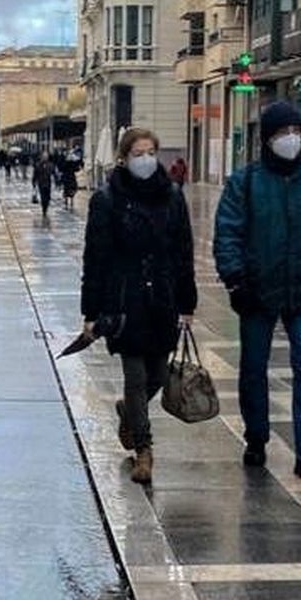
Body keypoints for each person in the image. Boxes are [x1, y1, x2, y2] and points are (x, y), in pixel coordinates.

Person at [215, 100, 301, 484]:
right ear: (267, 139)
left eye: (295, 131)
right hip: (258, 290)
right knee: (253, 367)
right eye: (281, 133)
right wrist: (235, 280)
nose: (290, 139)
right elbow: (228, 232)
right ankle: (256, 436)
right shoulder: (245, 182)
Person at [82, 128, 198, 485]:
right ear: (123, 158)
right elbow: (95, 258)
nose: (146, 159)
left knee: (160, 377)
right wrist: (90, 312)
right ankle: (144, 451)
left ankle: (128, 413)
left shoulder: (173, 197)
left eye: (151, 152)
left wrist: (186, 302)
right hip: (124, 299)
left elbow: (183, 251)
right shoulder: (106, 200)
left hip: (161, 299)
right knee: (135, 376)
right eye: (138, 153)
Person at [33, 153, 55, 219]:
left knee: (48, 196)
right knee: (43, 196)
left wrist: (57, 180)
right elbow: (35, 174)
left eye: (46, 157)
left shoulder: (50, 165)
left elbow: (53, 173)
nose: (45, 158)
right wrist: (34, 182)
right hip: (41, 183)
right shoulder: (38, 165)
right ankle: (44, 208)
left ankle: (46, 205)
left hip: (48, 183)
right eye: (44, 157)